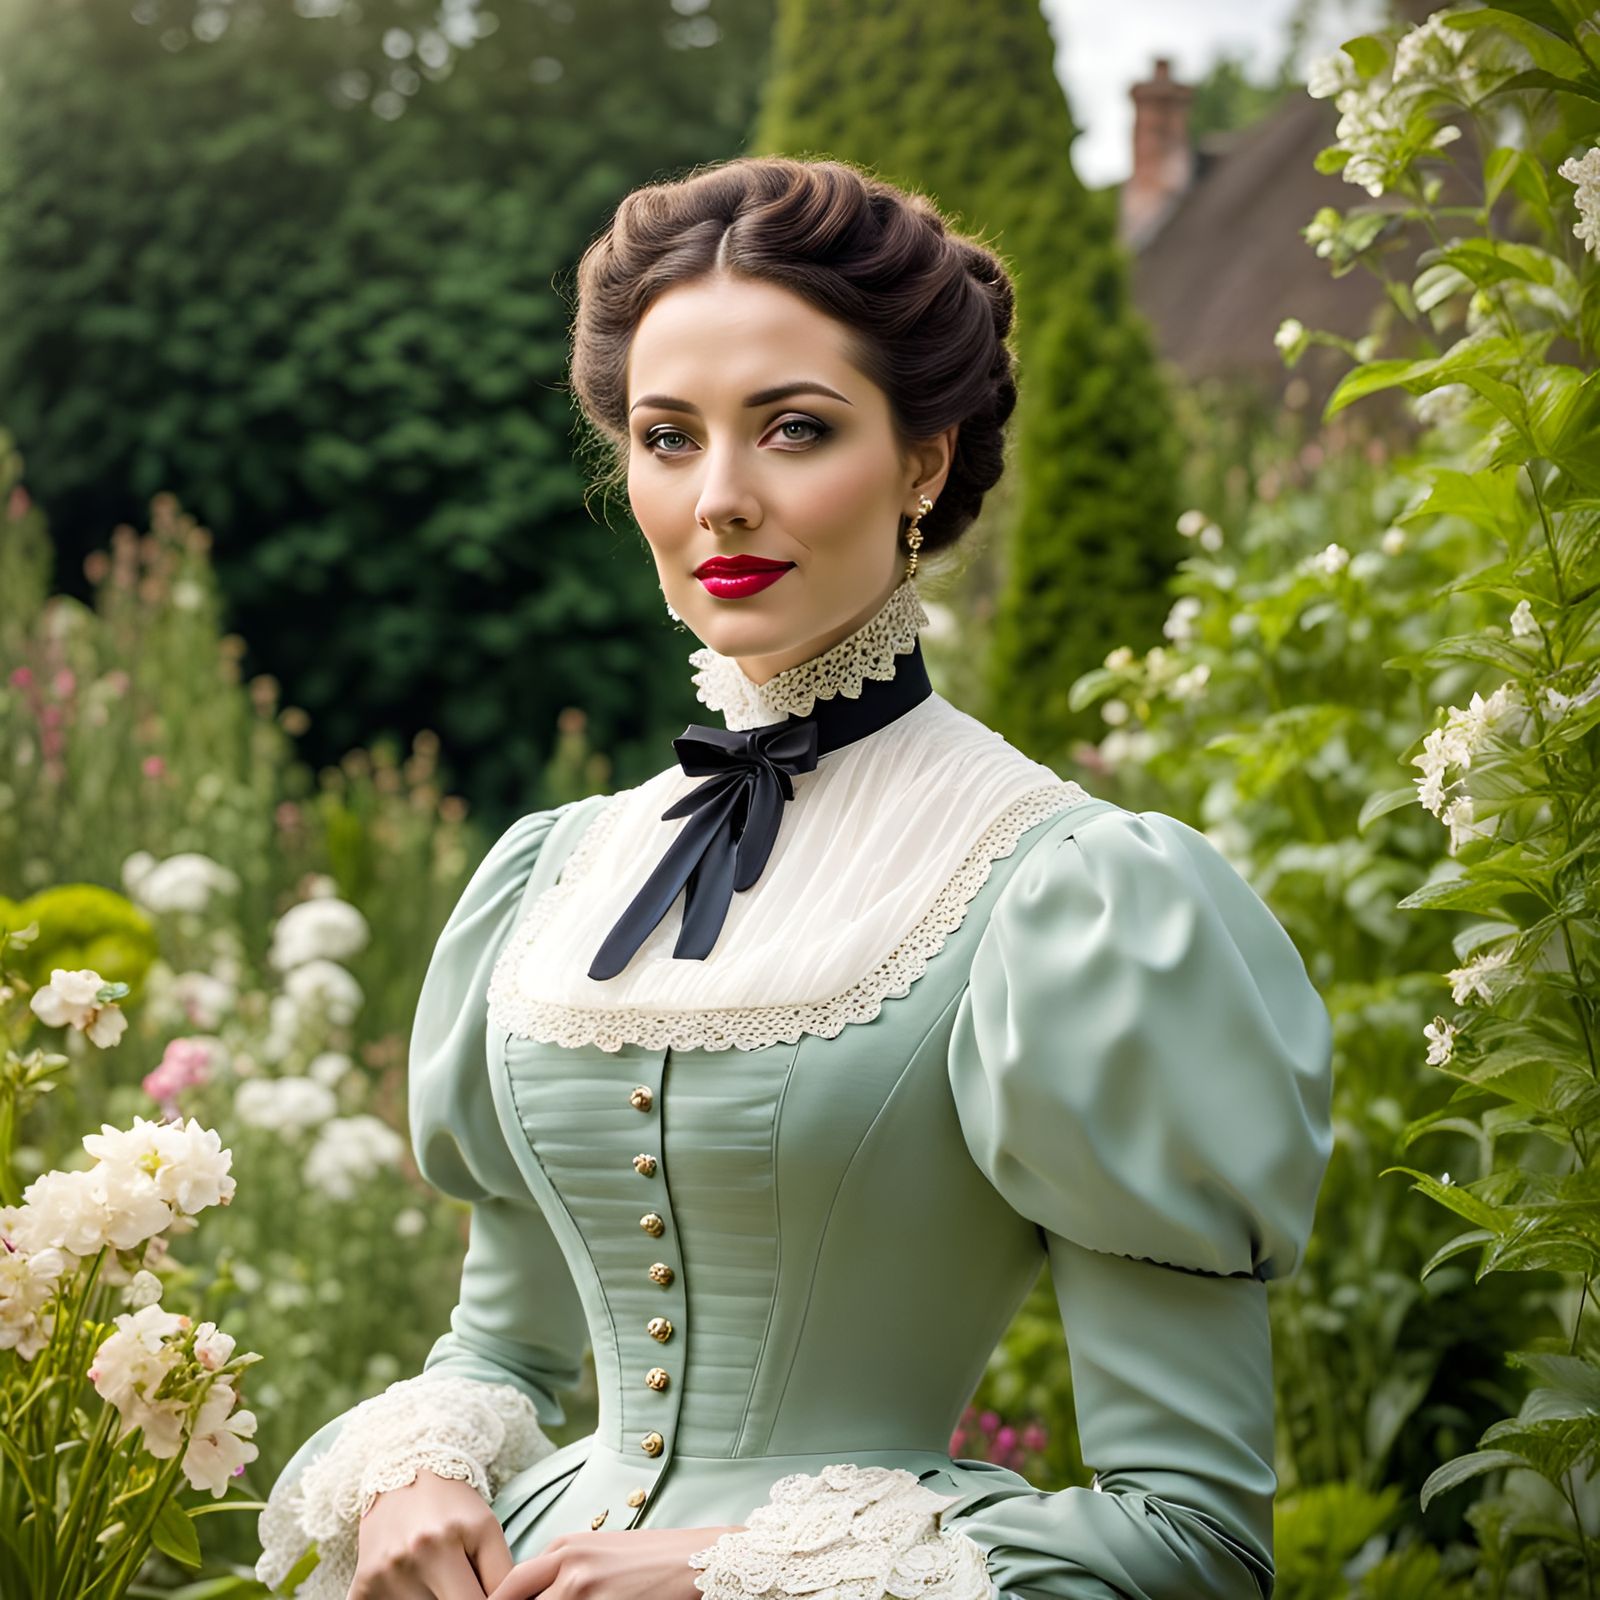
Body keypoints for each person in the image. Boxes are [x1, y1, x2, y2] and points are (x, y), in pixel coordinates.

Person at [255, 153, 1335, 1600]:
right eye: (667, 436)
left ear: (926, 460)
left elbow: (1192, 1541)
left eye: (796, 429)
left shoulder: (1073, 898)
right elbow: (501, 1354)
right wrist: (427, 1467)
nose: (720, 501)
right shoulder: (555, 876)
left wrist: (738, 1573)